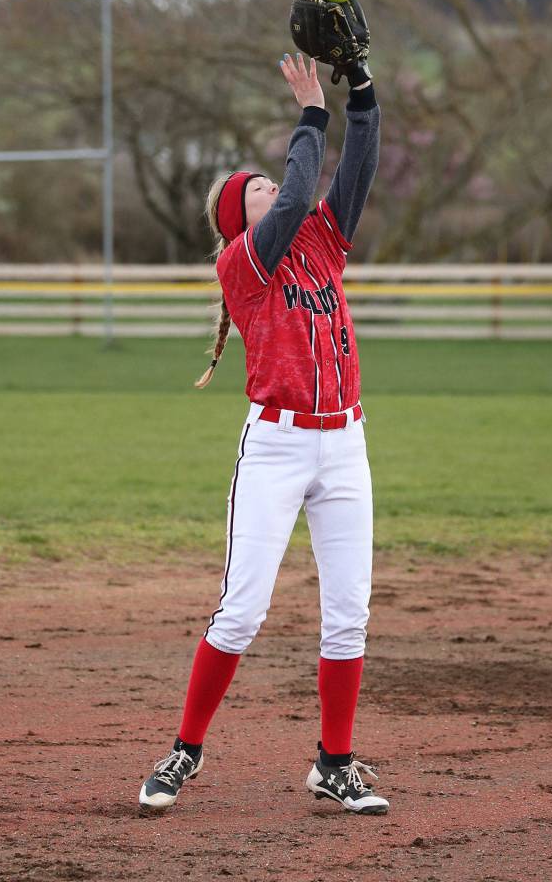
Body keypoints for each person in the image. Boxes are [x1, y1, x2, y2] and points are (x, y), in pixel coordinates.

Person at [138, 50, 388, 816]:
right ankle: (184, 750)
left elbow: (356, 172)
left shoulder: (320, 240)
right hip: (276, 448)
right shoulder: (245, 265)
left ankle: (334, 763)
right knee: (242, 609)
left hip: (344, 443)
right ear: (235, 222)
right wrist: (308, 112)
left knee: (349, 612)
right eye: (255, 191)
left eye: (268, 180)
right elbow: (299, 194)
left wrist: (360, 91)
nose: (273, 189)